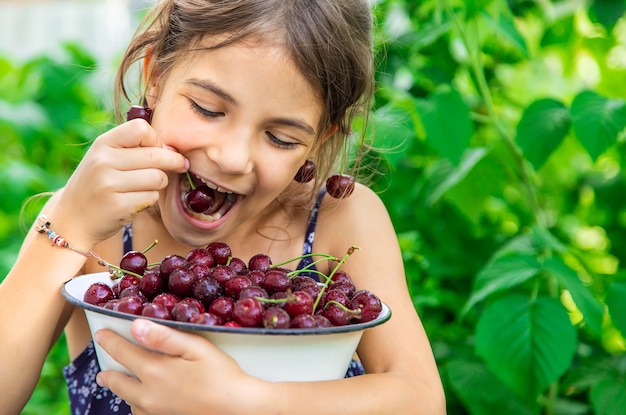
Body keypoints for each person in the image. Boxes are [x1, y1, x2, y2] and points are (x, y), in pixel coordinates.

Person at [0, 0, 446, 414]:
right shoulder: (97, 225)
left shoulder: (339, 220)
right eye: (208, 109)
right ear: (155, 77)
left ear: (318, 141)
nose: (231, 157)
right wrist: (69, 226)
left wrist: (249, 401)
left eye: (280, 138)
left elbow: (420, 399)